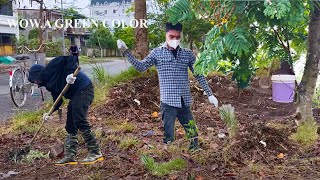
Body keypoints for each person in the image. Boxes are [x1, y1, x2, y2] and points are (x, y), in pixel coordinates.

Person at [117, 22, 219, 151]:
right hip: (168, 102)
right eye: (171, 36)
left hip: (184, 101)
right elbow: (141, 67)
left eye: (177, 37)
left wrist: (210, 94)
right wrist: (126, 52)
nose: (174, 40)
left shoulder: (187, 54)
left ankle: (195, 151)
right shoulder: (157, 53)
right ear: (166, 35)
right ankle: (169, 157)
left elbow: (198, 74)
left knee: (193, 132)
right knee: (169, 135)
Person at [28, 56, 103, 165]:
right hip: (75, 95)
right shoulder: (49, 84)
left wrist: (70, 74)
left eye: (34, 79)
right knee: (70, 124)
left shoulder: (52, 66)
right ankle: (70, 156)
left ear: (39, 74)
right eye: (33, 81)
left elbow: (71, 59)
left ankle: (96, 152)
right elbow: (57, 101)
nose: (35, 81)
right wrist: (49, 113)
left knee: (79, 119)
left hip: (84, 89)